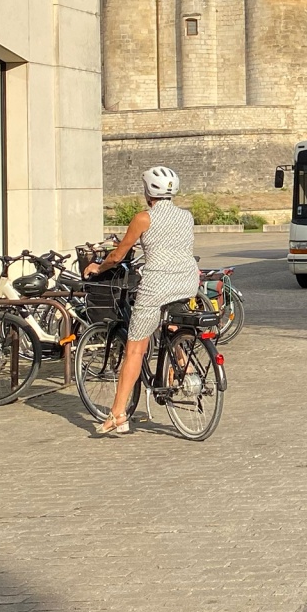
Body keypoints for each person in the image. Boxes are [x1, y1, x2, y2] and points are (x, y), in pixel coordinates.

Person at [82, 166, 202, 437]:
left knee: (135, 349)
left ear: (148, 191)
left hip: (157, 284)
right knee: (172, 323)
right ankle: (184, 369)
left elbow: (118, 255)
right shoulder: (186, 217)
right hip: (186, 281)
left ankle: (118, 414)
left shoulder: (143, 219)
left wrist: (97, 268)